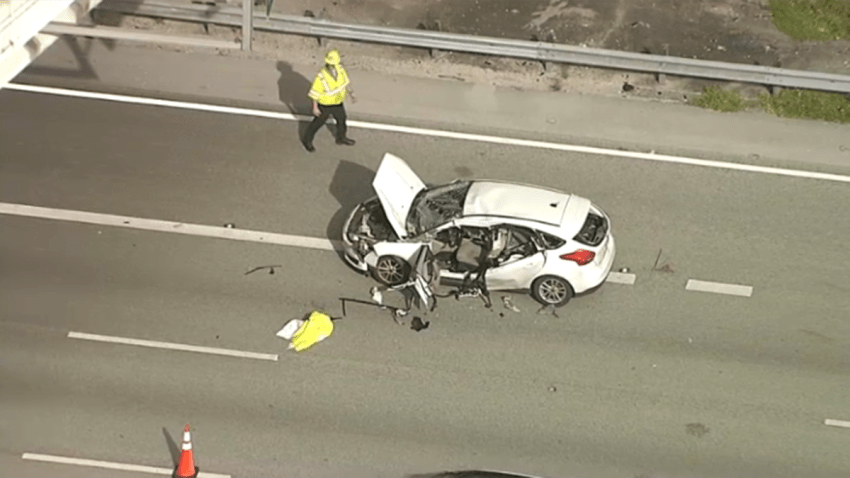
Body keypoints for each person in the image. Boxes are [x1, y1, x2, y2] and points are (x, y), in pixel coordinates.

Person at [301, 49, 357, 152]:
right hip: (325, 104)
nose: (334, 66)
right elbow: (315, 92)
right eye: (332, 64)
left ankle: (341, 138)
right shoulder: (321, 76)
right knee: (317, 123)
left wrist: (351, 93)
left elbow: (345, 83)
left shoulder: (340, 69)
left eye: (336, 63)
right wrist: (315, 107)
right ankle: (307, 140)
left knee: (342, 120)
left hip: (337, 102)